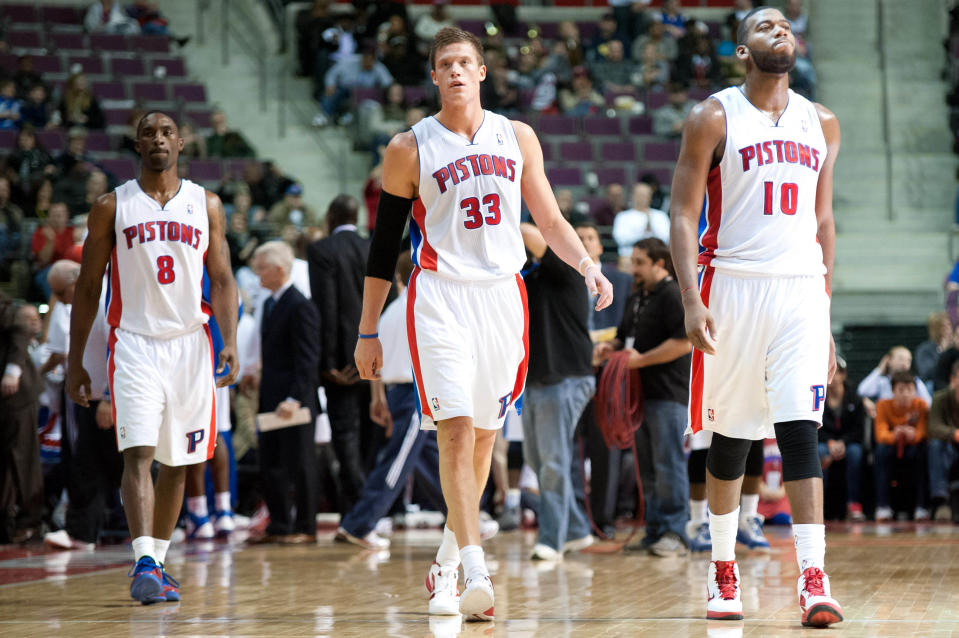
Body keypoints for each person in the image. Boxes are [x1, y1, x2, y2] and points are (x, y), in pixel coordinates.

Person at [353, 27, 613, 622]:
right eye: (446, 64)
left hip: (503, 296)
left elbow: (547, 218)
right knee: (454, 432)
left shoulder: (517, 135)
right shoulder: (408, 147)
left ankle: (444, 566)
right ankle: (475, 566)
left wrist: (588, 268)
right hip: (440, 297)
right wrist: (368, 331)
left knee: (484, 441)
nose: (456, 72)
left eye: (466, 62)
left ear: (482, 72)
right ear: (434, 76)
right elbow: (381, 248)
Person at [670, 7, 843, 627]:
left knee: (801, 431)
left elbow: (823, 222)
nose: (779, 30)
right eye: (764, 26)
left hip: (800, 288)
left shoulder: (821, 123)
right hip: (732, 286)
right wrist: (691, 299)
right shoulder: (713, 116)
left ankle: (813, 579)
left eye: (785, 24)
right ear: (742, 50)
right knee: (733, 436)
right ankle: (722, 571)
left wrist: (826, 314)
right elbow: (684, 215)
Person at [66, 111, 239, 604]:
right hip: (135, 342)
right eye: (149, 133)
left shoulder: (206, 204)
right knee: (139, 453)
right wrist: (78, 358)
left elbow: (223, 279)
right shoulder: (110, 206)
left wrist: (228, 339)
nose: (158, 139)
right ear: (137, 145)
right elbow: (86, 286)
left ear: (181, 144)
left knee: (178, 461)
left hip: (191, 343)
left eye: (167, 132)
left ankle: (156, 564)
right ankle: (143, 559)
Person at [335, 251, 445, 550]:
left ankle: (464, 521)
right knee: (396, 463)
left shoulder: (389, 310)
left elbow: (376, 365)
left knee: (431, 460)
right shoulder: (424, 308)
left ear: (397, 277)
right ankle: (359, 524)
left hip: (395, 392)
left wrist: (377, 398)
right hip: (415, 395)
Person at [595, 238, 692, 557]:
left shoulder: (672, 296)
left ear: (659, 264)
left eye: (639, 262)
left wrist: (639, 360)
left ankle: (675, 532)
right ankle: (653, 530)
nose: (632, 269)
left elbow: (683, 343)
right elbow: (626, 336)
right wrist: (614, 348)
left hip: (668, 394)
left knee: (668, 464)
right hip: (640, 394)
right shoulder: (638, 295)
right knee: (647, 468)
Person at [519, 222, 597, 562]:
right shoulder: (531, 274)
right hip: (538, 379)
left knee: (551, 462)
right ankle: (577, 530)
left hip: (566, 377)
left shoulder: (568, 268)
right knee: (538, 460)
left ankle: (552, 539)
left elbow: (525, 230)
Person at [249, 241, 320, 543]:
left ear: (279, 269)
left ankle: (305, 526)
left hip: (295, 400)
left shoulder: (301, 305)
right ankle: (279, 525)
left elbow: (308, 359)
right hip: (270, 395)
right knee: (271, 463)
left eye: (262, 268)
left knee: (301, 463)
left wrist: (295, 398)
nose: (257, 274)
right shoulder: (269, 304)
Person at [307, 194, 370, 516]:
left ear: (331, 216)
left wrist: (329, 363)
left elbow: (326, 309)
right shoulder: (372, 246)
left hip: (343, 362)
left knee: (345, 433)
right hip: (376, 359)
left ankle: (356, 510)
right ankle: (377, 508)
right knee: (372, 436)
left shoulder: (321, 250)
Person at [873, 371, 929, 522]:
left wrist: (912, 435)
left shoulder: (921, 405)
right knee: (881, 451)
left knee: (924, 453)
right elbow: (881, 434)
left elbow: (922, 432)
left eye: (909, 390)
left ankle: (921, 507)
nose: (905, 394)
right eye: (901, 390)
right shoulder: (883, 406)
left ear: (915, 391)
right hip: (891, 447)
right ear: (893, 391)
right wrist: (897, 433)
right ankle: (883, 507)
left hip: (913, 448)